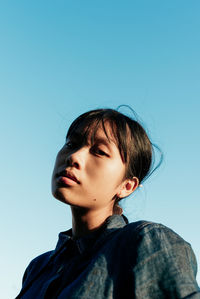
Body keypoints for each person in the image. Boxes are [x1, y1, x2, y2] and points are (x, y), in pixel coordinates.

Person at [16, 108, 200, 298]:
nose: (74, 157)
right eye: (71, 144)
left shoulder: (146, 241)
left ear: (127, 186)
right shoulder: (38, 267)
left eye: (100, 152)